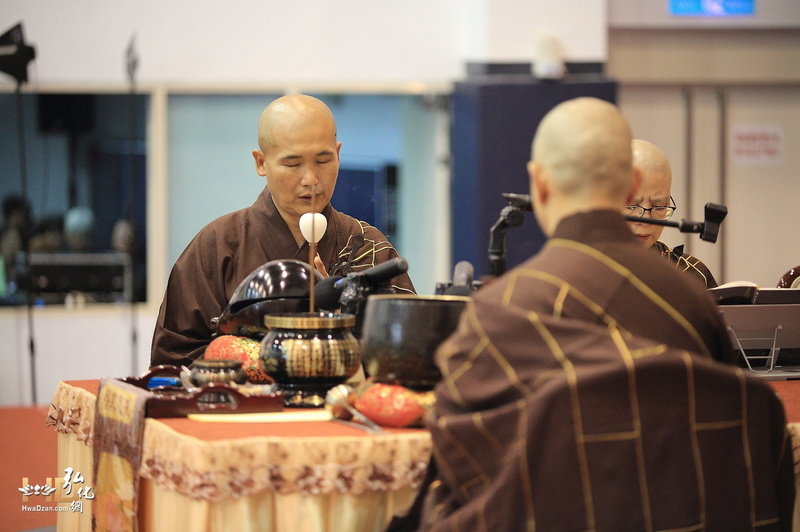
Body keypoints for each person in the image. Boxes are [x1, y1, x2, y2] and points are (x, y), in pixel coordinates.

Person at [392, 98, 793, 531]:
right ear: (632, 182)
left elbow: (460, 460)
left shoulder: (502, 309)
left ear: (539, 183)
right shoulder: (693, 303)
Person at [150, 94, 415, 368]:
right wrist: (252, 361)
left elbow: (406, 351)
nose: (311, 179)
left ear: (337, 154)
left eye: (323, 161)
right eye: (292, 163)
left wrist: (341, 321)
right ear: (261, 162)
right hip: (247, 410)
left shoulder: (366, 246)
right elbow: (172, 361)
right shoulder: (217, 246)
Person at [626, 139, 718, 288]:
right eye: (631, 205)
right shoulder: (584, 268)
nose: (645, 219)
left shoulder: (690, 274)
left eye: (659, 206)